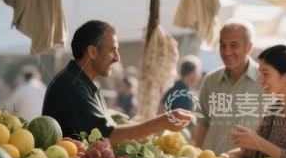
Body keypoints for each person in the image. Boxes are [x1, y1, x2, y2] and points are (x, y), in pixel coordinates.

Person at [43, 21, 194, 141]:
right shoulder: (71, 86)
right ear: (92, 52)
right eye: (112, 50)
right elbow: (107, 137)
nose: (117, 58)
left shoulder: (82, 82)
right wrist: (162, 122)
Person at [194, 19, 265, 157]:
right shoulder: (210, 80)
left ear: (248, 47)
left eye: (234, 45)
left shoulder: (265, 81)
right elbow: (202, 125)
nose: (226, 52)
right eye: (222, 45)